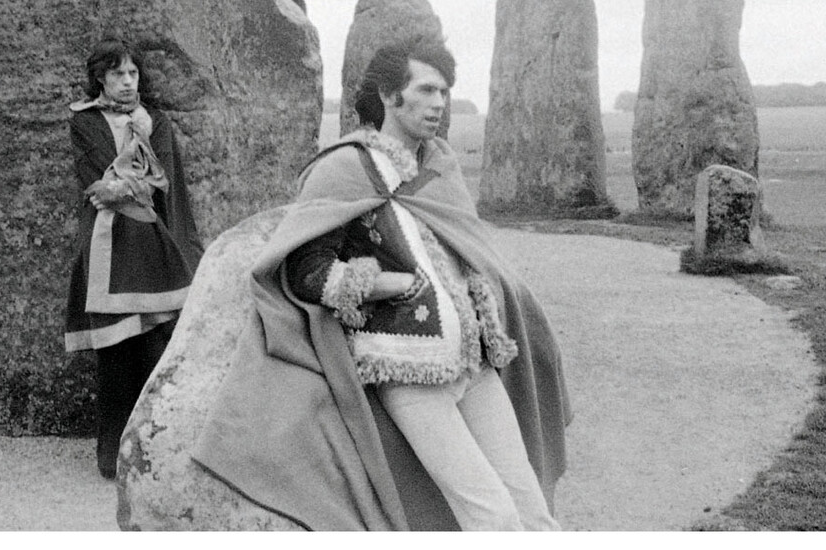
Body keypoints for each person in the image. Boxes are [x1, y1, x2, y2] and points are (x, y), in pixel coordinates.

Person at [193, 37, 571, 531]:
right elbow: (306, 270)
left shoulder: (439, 167)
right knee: (490, 516)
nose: (440, 103)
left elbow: (472, 253)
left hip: (475, 362)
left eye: (445, 92)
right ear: (391, 97)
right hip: (406, 368)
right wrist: (390, 284)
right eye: (427, 90)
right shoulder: (344, 168)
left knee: (532, 509)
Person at [66, 37, 205, 479]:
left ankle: (151, 451)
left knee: (154, 350)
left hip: (151, 245)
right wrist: (126, 183)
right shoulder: (84, 123)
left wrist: (125, 184)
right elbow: (96, 182)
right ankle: (111, 454)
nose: (127, 82)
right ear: (100, 79)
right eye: (117, 74)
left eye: (133, 74)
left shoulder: (155, 121)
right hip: (107, 246)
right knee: (113, 353)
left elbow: (157, 179)